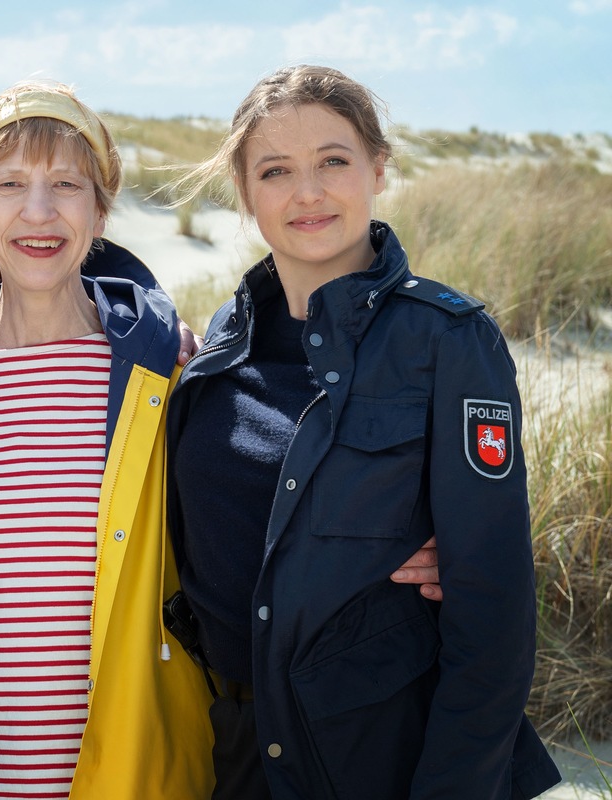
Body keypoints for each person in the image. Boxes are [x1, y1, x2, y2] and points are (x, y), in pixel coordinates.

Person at [166, 65, 561, 798]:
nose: (307, 192)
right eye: (276, 170)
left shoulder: (448, 341)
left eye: (333, 162)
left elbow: (494, 620)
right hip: (234, 750)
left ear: (378, 168)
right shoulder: (222, 339)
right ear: (247, 194)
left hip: (381, 756)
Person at [0, 81, 215, 799]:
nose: (39, 211)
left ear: (99, 212)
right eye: (9, 184)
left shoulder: (164, 373)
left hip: (130, 777)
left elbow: (258, 508)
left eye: (66, 183)